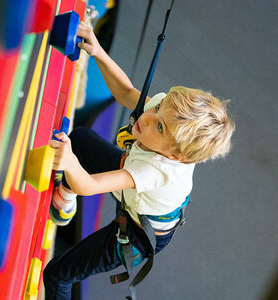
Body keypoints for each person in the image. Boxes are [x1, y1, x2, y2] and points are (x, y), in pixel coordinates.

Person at [43, 22, 235, 300]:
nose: (147, 117)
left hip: (137, 233)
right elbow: (125, 93)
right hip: (137, 191)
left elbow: (88, 185)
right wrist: (98, 52)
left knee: (59, 274)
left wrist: (70, 162)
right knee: (82, 139)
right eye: (157, 108)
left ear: (175, 155)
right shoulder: (164, 116)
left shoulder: (155, 170)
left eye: (159, 127)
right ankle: (64, 201)